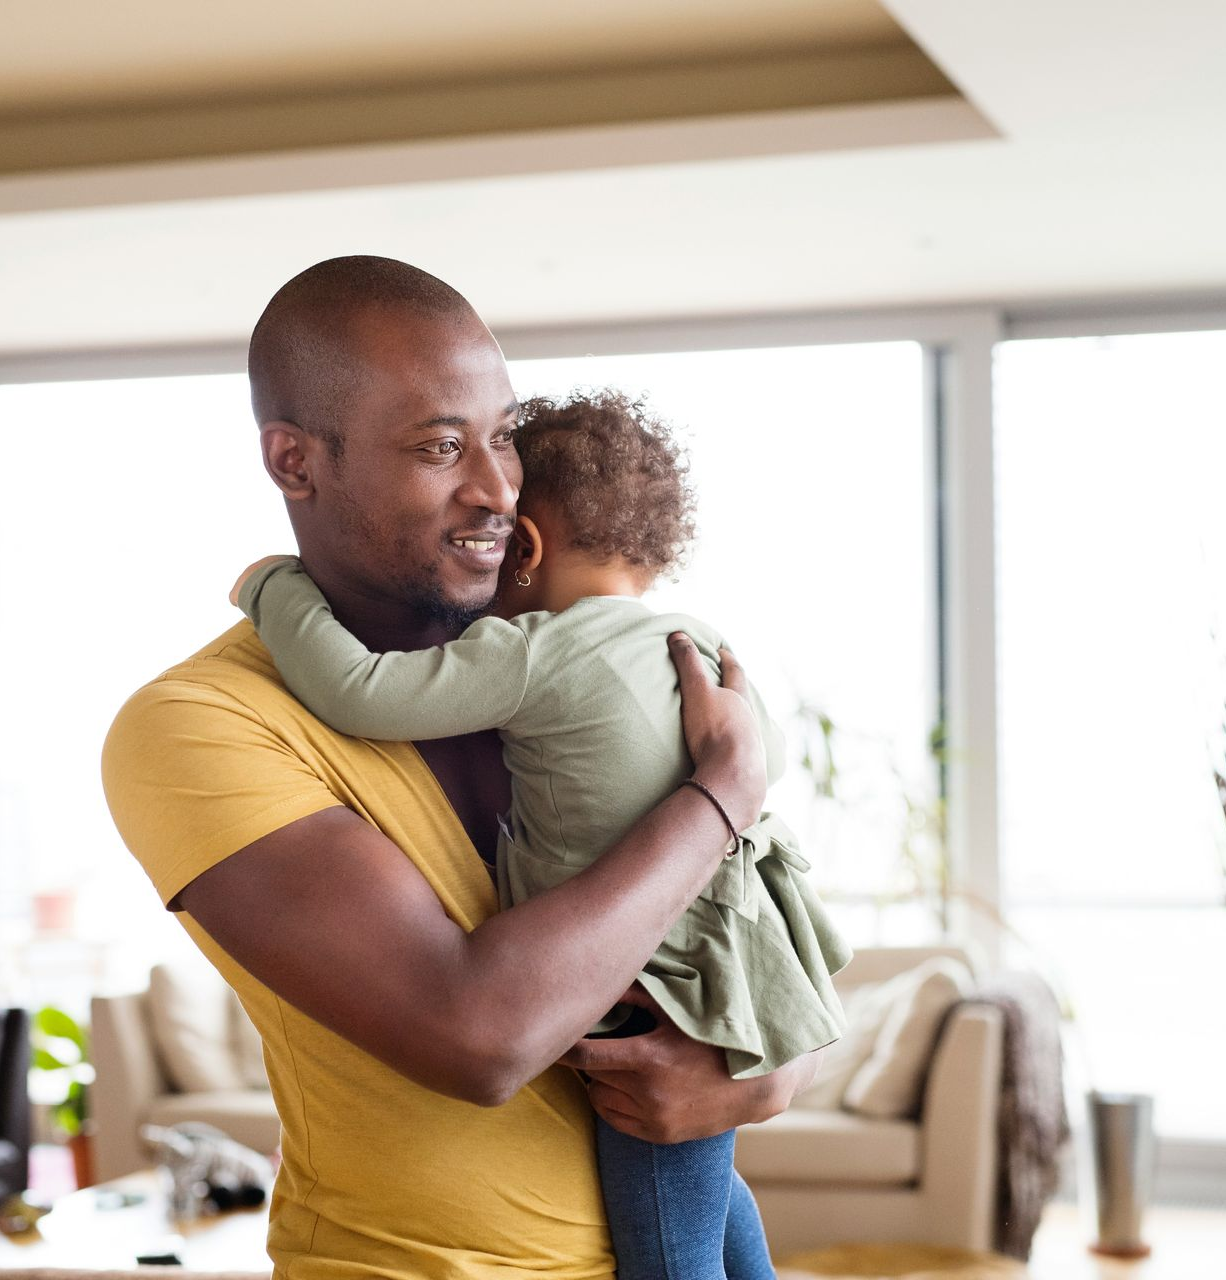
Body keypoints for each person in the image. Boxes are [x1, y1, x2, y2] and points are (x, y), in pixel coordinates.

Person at [102, 256, 824, 1279]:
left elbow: (752, 921)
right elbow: (479, 1033)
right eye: (441, 445)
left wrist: (765, 1073)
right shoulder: (198, 724)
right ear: (295, 461)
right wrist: (721, 792)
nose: (494, 487)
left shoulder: (557, 652)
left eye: (500, 438)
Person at [229, 389, 851, 1279]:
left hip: (636, 996)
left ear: (524, 546)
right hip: (724, 977)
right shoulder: (697, 640)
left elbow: (360, 694)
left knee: (668, 1253)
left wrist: (270, 587)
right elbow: (761, 759)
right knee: (708, 1208)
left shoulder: (537, 651)